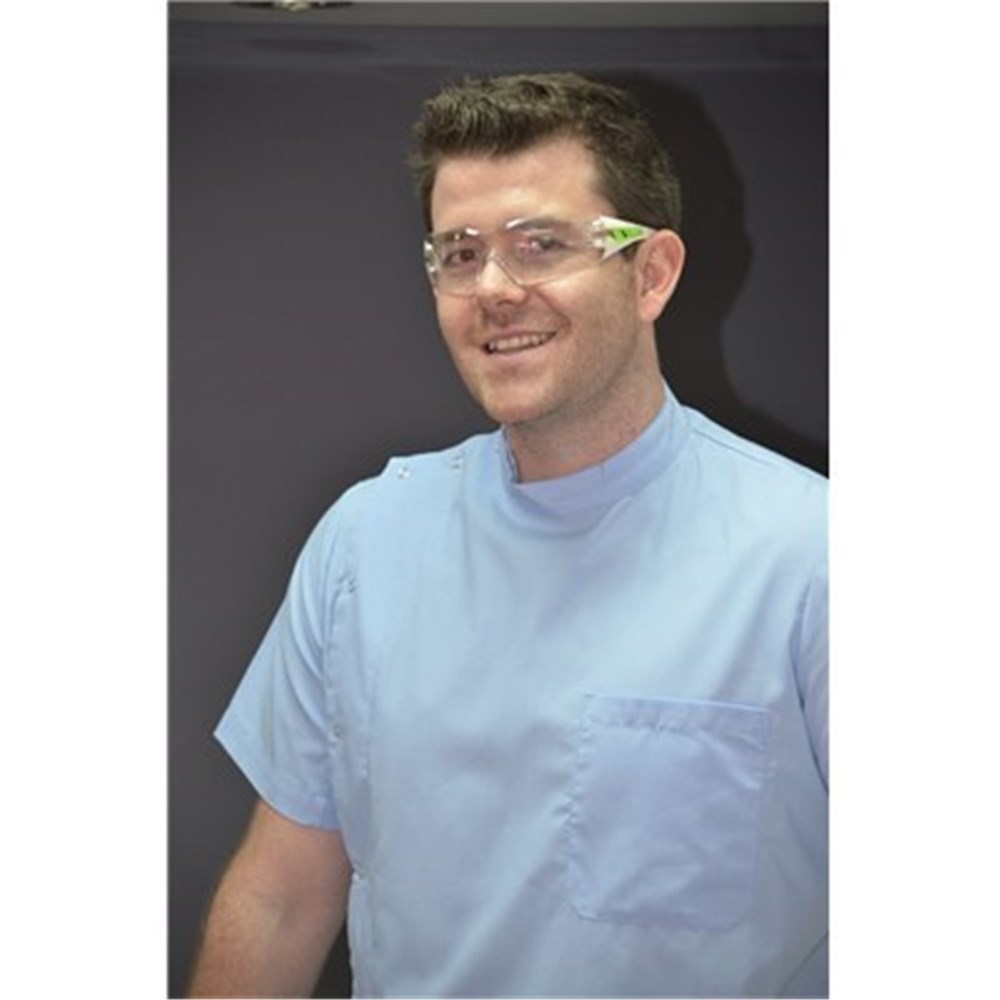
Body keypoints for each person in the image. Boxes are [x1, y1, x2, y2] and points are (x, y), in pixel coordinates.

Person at [188, 72, 828, 998]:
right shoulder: (365, 543)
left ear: (651, 273)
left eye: (540, 245)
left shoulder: (812, 555)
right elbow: (280, 900)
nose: (493, 288)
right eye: (460, 253)